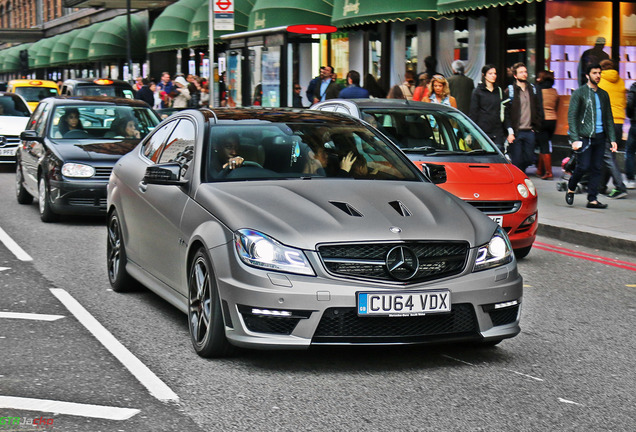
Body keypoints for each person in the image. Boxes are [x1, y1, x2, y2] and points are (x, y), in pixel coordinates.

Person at [565, 63, 617, 209]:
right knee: (583, 166)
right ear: (588, 75)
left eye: (599, 73)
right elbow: (572, 117)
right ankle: (571, 186)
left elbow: (609, 118)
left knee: (596, 168)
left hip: (600, 137)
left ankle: (592, 199)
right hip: (584, 137)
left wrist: (612, 139)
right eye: (594, 73)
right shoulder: (579, 93)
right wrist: (575, 139)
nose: (598, 76)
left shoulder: (603, 94)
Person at [598, 59, 628, 199]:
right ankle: (602, 186)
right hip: (619, 122)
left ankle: (620, 186)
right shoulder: (620, 81)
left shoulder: (600, 81)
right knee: (610, 154)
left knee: (607, 155)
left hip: (607, 122)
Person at [504, 62, 542, 174]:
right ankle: (518, 179)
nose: (524, 74)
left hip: (529, 130)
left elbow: (538, 108)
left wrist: (536, 126)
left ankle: (520, 174)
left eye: (525, 72)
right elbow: (506, 113)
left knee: (529, 158)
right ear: (515, 75)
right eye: (521, 72)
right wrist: (509, 131)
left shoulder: (532, 89)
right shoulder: (510, 91)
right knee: (517, 160)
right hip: (516, 131)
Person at [469, 64, 509, 153]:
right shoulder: (477, 92)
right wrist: (471, 132)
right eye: (490, 73)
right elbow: (473, 113)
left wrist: (509, 129)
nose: (493, 76)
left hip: (498, 130)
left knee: (499, 157)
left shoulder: (499, 91)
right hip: (483, 131)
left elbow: (505, 111)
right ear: (484, 75)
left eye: (494, 73)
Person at [535, 70, 559, 180]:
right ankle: (540, 170)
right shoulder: (554, 91)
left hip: (543, 121)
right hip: (553, 120)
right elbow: (556, 106)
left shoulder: (539, 90)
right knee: (543, 144)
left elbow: (537, 107)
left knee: (544, 146)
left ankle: (549, 172)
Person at [625, 81, 636, 189]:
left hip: (635, 123)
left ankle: (630, 180)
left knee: (630, 152)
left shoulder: (635, 86)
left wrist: (630, 115)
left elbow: (630, 103)